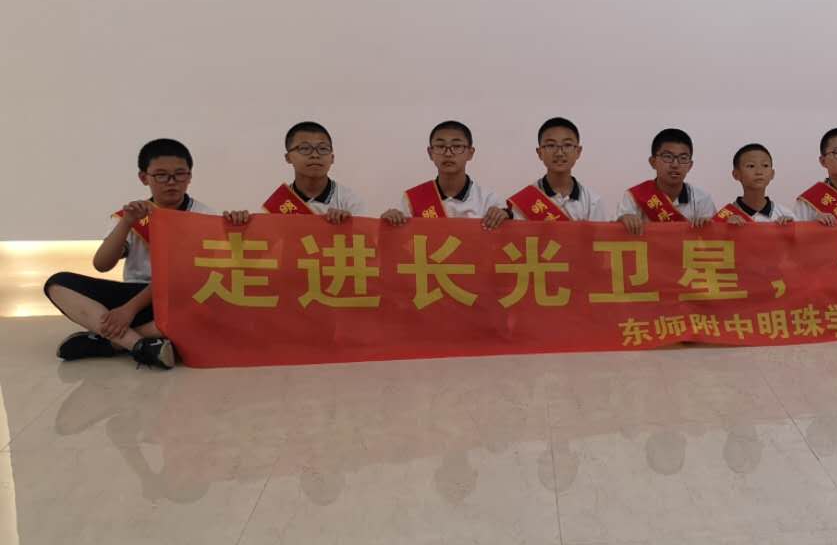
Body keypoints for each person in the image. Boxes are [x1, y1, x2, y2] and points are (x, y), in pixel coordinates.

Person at [43, 138, 213, 368]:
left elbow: (180, 277)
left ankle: (110, 344)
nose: (171, 182)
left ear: (190, 176)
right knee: (58, 284)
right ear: (144, 178)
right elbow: (102, 264)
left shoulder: (204, 216)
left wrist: (128, 311)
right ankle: (141, 345)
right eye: (161, 175)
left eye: (179, 174)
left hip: (176, 298)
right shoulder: (135, 213)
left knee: (209, 308)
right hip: (136, 293)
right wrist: (127, 222)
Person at [229, 121, 364, 225]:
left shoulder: (349, 201)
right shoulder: (280, 204)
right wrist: (240, 225)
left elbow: (365, 244)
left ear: (332, 158)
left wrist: (348, 224)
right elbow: (267, 245)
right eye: (305, 148)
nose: (315, 155)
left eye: (323, 149)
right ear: (288, 158)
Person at [380, 120, 509, 227]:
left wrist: (506, 217)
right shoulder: (412, 200)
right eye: (441, 146)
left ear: (470, 153)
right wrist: (388, 223)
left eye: (457, 146)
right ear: (430, 153)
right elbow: (400, 244)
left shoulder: (489, 200)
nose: (448, 153)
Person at [507, 117, 608, 222]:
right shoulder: (526, 200)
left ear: (578, 151)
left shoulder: (592, 202)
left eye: (567, 145)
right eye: (551, 145)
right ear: (540, 152)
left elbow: (601, 232)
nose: (559, 153)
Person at [616, 128, 716, 233]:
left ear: (690, 166)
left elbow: (713, 238)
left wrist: (708, 226)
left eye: (683, 158)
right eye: (668, 157)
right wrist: (623, 220)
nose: (675, 164)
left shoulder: (702, 199)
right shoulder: (635, 196)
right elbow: (616, 235)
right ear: (653, 162)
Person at [714, 143, 795, 223]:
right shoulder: (725, 217)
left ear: (772, 174)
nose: (759, 172)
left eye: (765, 165)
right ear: (736, 174)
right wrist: (725, 229)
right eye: (751, 166)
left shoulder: (786, 215)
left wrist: (789, 228)